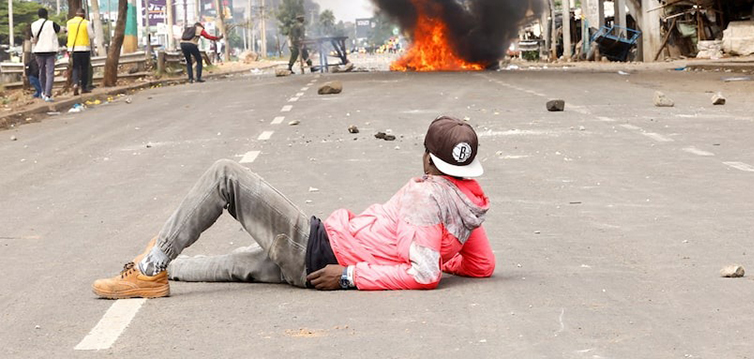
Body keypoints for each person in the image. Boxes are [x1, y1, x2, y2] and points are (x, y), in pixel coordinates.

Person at [91, 116, 493, 298]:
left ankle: (150, 270)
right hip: (316, 262)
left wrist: (350, 276)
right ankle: (160, 263)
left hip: (317, 249)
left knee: (226, 174)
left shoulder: (427, 196)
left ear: (428, 159)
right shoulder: (467, 202)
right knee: (234, 267)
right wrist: (440, 257)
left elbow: (424, 274)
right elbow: (480, 265)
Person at [30, 7, 61, 102]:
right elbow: (60, 30)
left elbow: (32, 38)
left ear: (38, 15)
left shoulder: (33, 25)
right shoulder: (52, 24)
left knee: (41, 71)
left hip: (38, 51)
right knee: (50, 72)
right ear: (47, 15)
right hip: (50, 51)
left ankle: (43, 92)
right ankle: (48, 94)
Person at [66, 8, 94, 95]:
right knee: (84, 68)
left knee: (75, 68)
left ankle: (75, 84)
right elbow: (92, 35)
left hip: (73, 49)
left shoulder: (69, 22)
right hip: (84, 48)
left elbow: (67, 34)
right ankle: (84, 87)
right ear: (84, 15)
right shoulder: (86, 23)